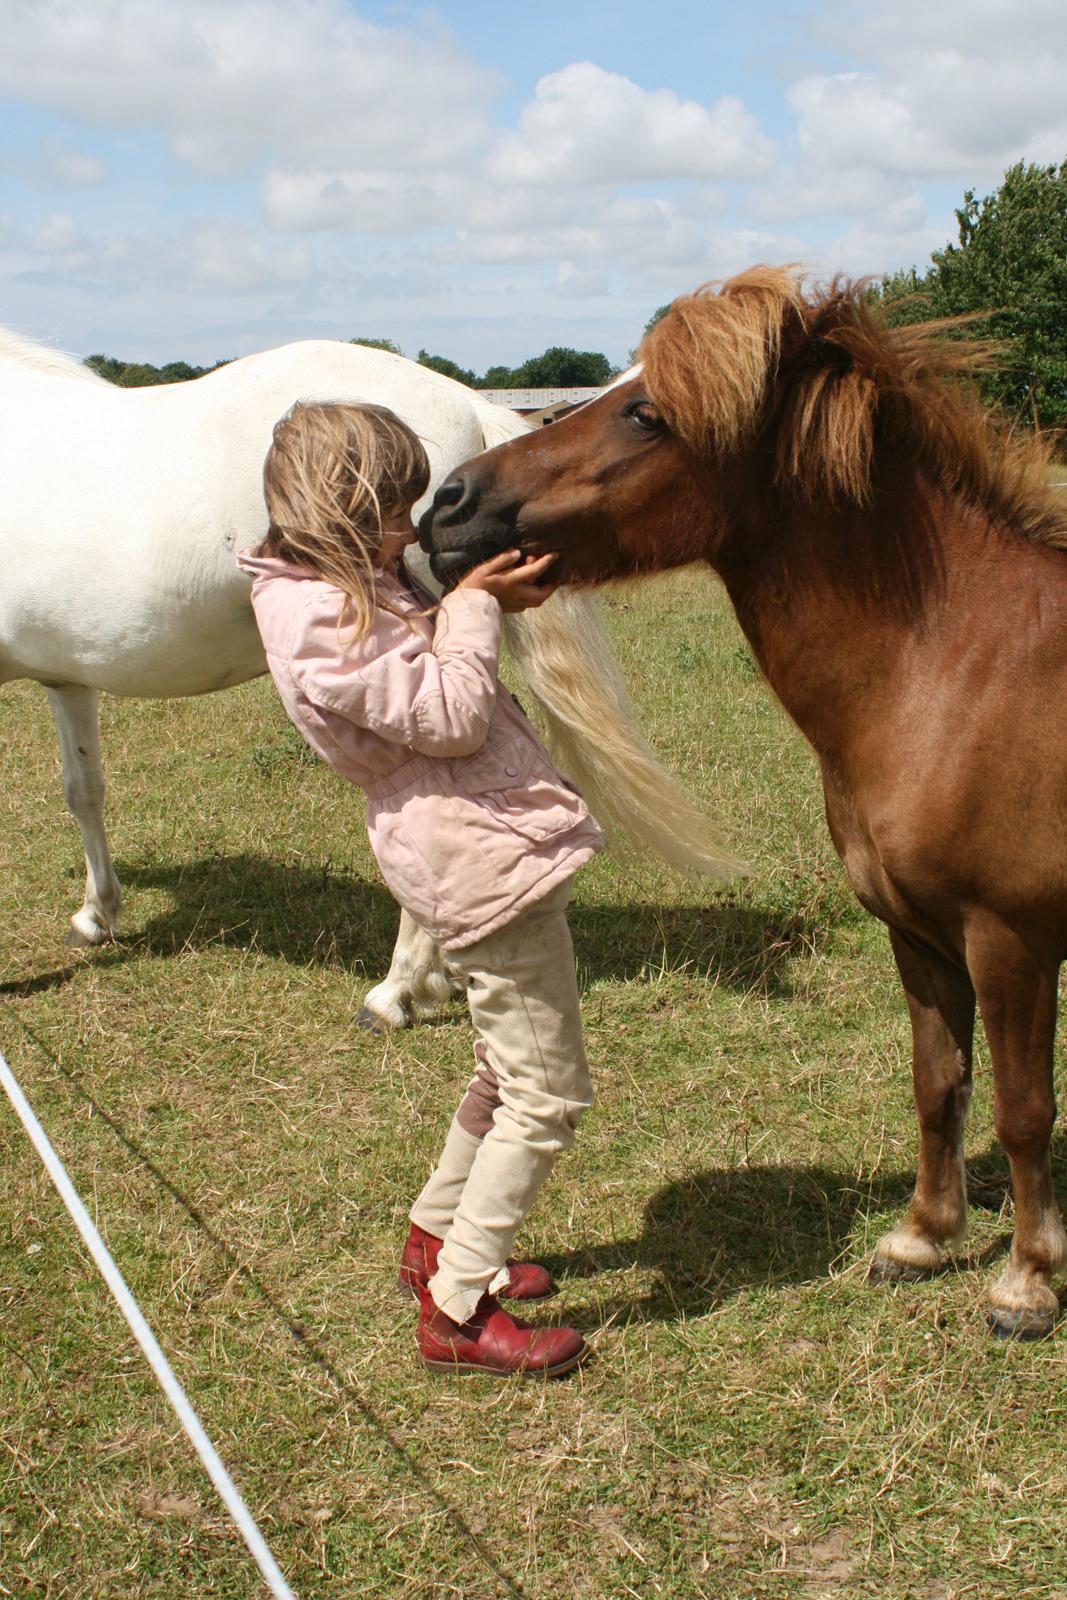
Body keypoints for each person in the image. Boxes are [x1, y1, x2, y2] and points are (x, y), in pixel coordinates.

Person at [237, 401, 604, 1377]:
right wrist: (475, 601)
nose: (410, 531)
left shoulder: (334, 586)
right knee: (545, 1091)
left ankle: (434, 1239)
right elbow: (445, 712)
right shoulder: (320, 621)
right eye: (394, 513)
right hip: (476, 855)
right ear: (343, 511)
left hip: (471, 842)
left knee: (500, 1061)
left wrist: (459, 602)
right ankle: (454, 1307)